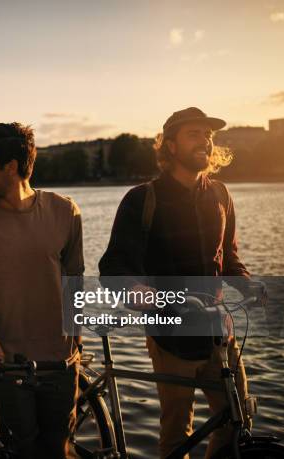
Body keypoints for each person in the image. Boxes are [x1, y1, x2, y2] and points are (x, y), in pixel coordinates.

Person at [98, 107, 255, 458]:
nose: (205, 140)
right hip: (171, 336)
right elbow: (113, 267)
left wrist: (248, 285)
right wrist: (137, 291)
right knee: (177, 435)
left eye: (208, 134)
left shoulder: (220, 195)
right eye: (194, 134)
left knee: (236, 422)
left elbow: (228, 257)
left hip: (219, 333)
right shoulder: (143, 200)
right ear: (169, 146)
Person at [0, 121, 84, 458]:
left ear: (11, 167)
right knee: (20, 451)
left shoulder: (64, 211)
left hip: (61, 365)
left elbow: (75, 280)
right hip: (4, 366)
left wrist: (76, 341)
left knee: (56, 451)